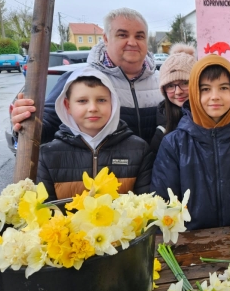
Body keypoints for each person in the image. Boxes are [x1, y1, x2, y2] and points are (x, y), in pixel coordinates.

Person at [151, 55, 230, 230]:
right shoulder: (174, 144)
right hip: (190, 245)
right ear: (195, 94)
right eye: (205, 89)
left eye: (223, 88)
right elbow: (162, 204)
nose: (215, 96)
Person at [10, 7, 161, 144]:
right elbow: (46, 128)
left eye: (139, 36)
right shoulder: (78, 80)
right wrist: (26, 121)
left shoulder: (164, 84)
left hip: (158, 174)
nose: (132, 42)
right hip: (101, 174)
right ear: (106, 39)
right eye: (122, 35)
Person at [37, 66, 153, 201]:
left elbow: (145, 204)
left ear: (113, 103)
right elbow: (46, 209)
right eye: (82, 101)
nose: (92, 108)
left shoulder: (138, 150)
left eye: (101, 100)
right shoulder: (48, 154)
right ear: (68, 106)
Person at [149, 43, 196, 154]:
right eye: (170, 86)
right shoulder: (163, 127)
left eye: (185, 83)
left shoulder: (212, 118)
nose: (178, 91)